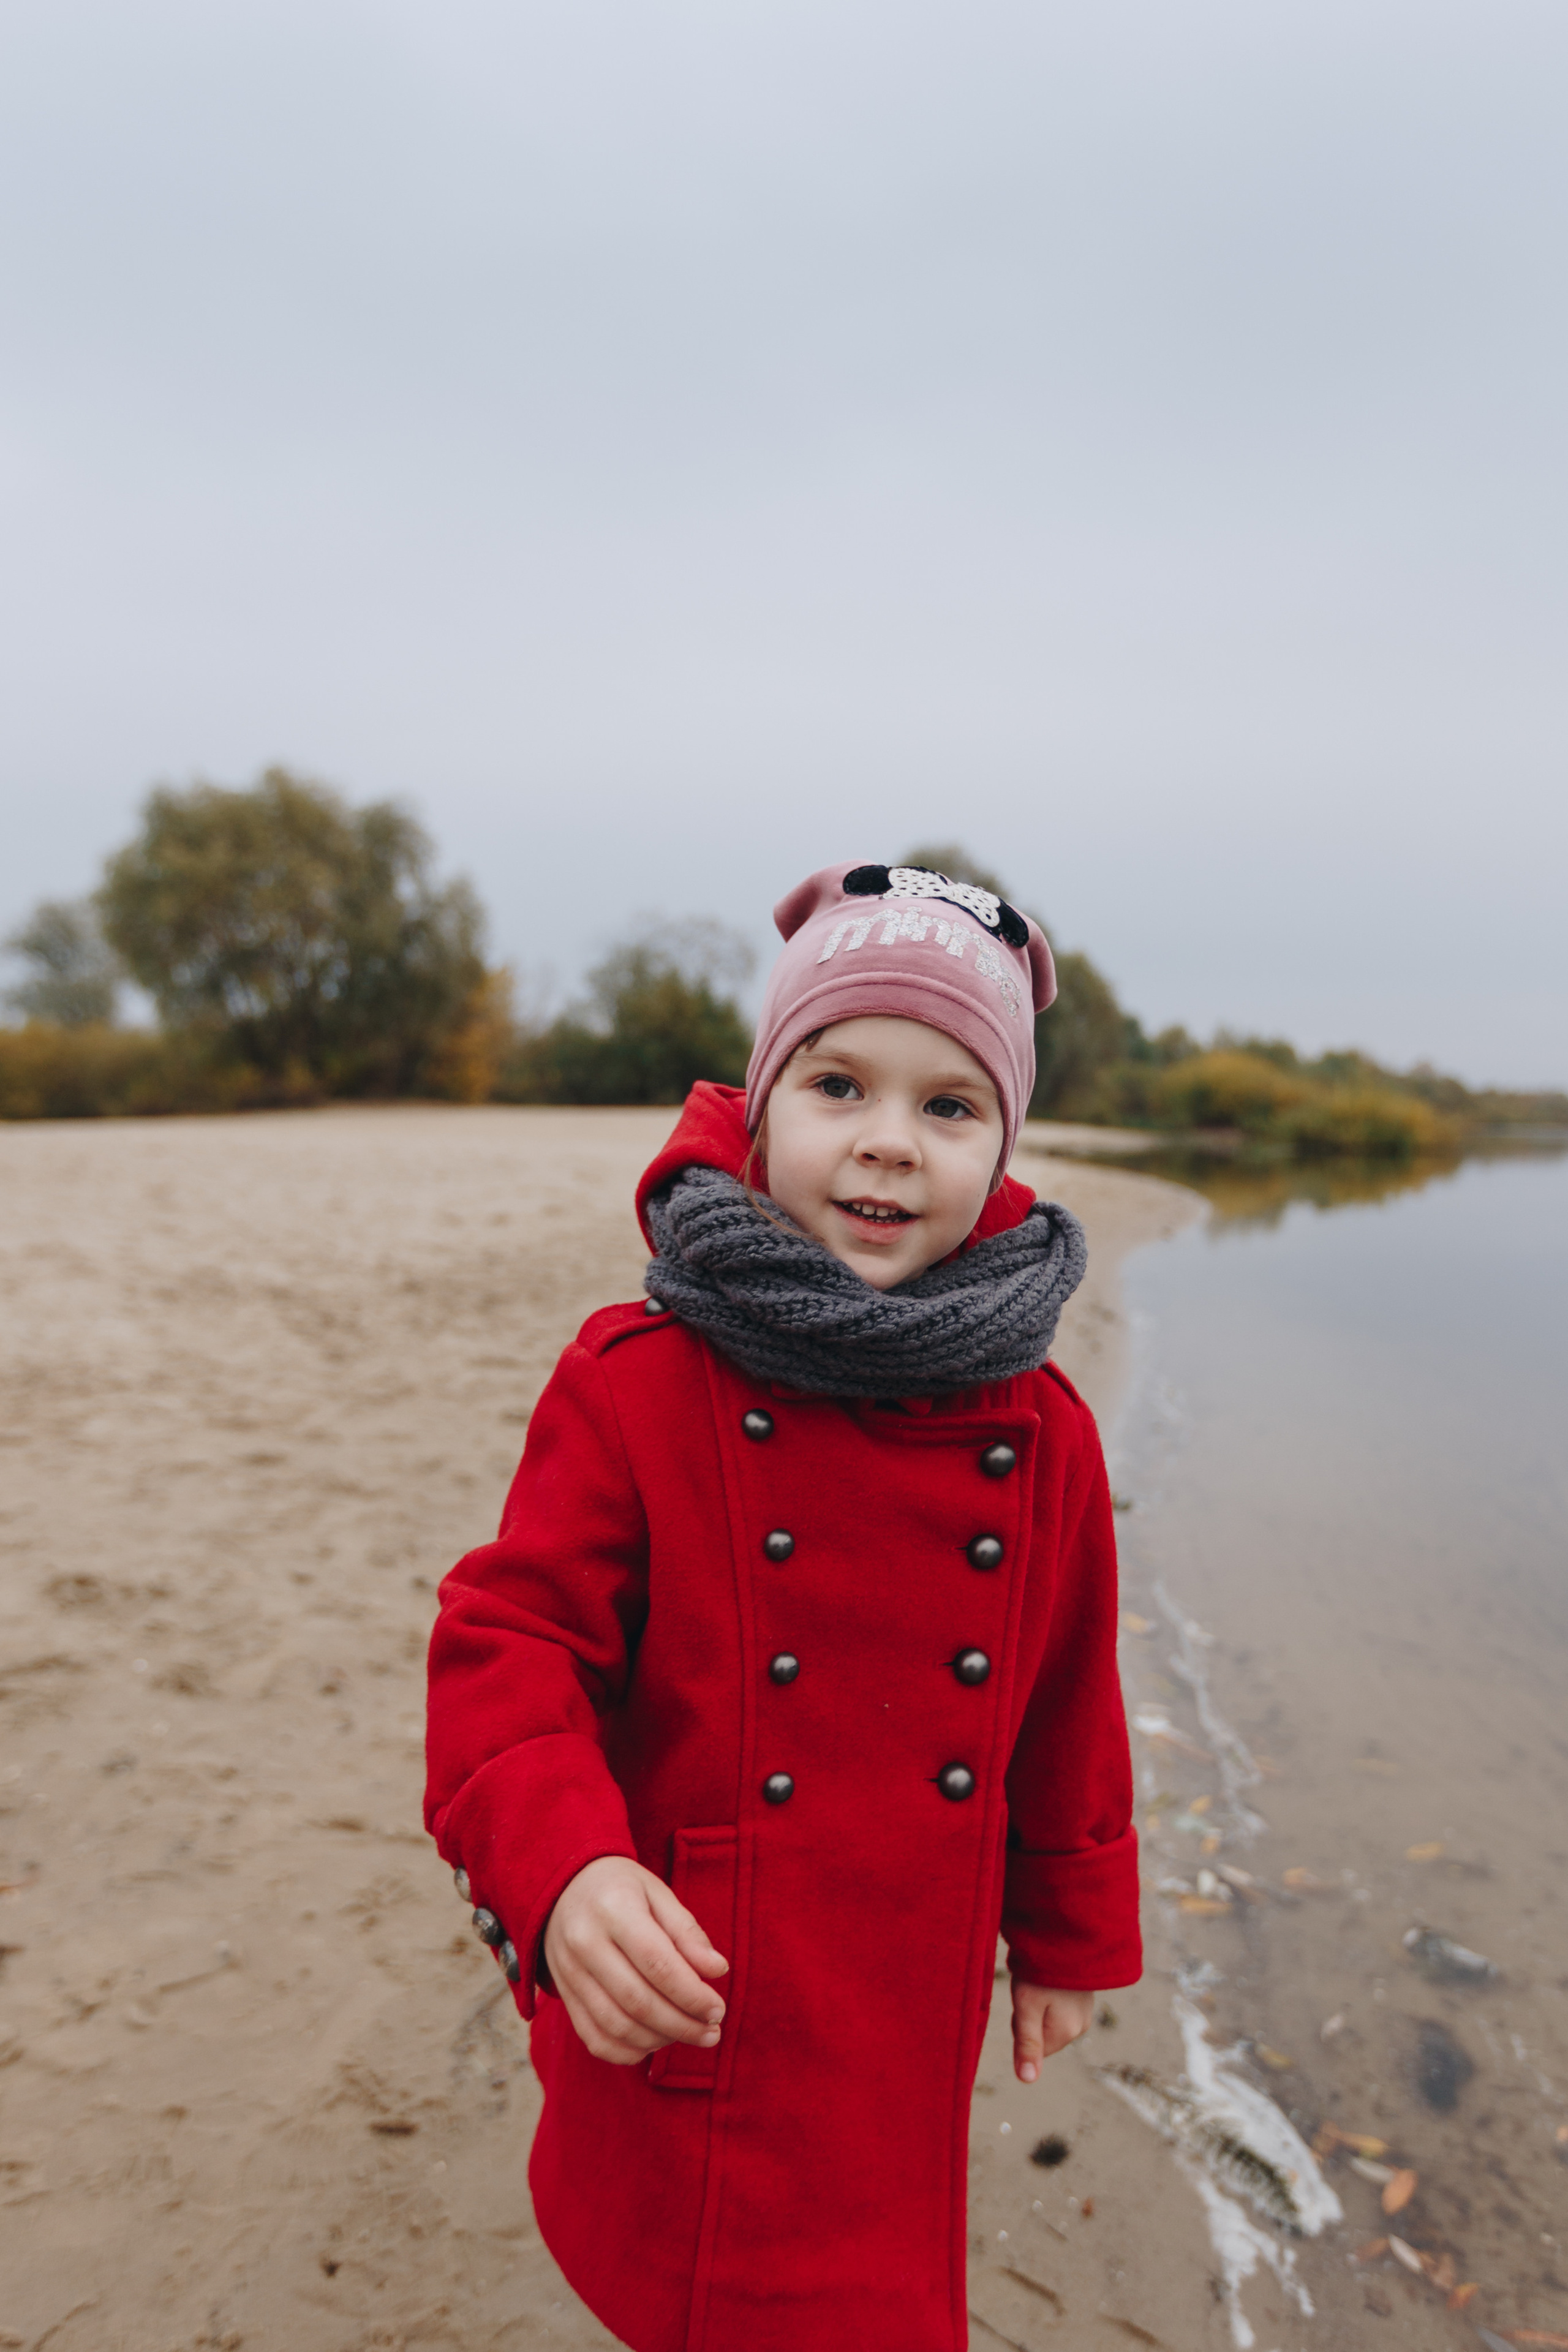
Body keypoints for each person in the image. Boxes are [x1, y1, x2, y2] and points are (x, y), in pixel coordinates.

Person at [424, 861, 1141, 2352]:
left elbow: (1064, 1690)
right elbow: (509, 1648)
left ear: (1002, 1139)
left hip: (903, 1990)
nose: (887, 1143)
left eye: (948, 1106)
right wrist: (564, 1875)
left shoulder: (1042, 1423)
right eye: (838, 1084)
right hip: (704, 1969)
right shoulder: (642, 1378)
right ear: (760, 1107)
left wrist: (1064, 1931)